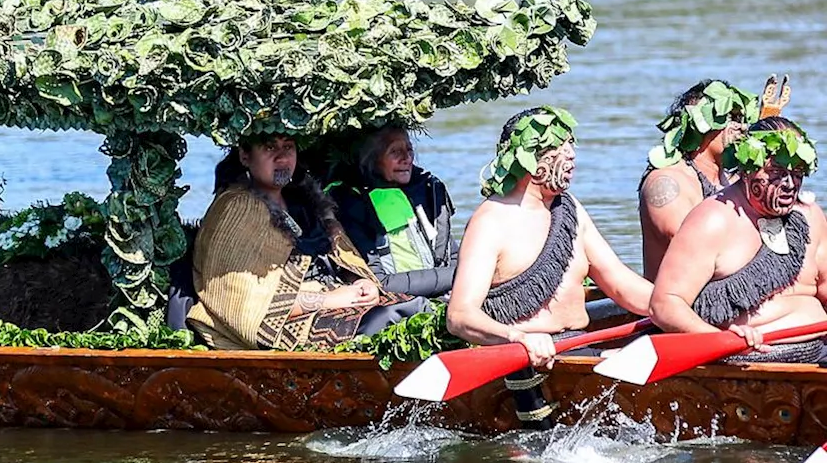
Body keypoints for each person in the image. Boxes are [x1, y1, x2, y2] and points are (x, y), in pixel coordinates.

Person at [446, 106, 652, 366]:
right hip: (524, 358)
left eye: (571, 146)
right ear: (530, 159)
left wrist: (675, 307)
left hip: (580, 347)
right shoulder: (490, 223)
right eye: (561, 148)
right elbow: (459, 315)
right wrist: (517, 337)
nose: (572, 156)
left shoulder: (569, 208)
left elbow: (619, 282)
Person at [186, 134, 430, 350]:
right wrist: (328, 300)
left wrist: (361, 281)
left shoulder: (307, 201)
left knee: (419, 309)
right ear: (245, 156)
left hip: (339, 297)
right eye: (270, 148)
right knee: (387, 318)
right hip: (288, 319)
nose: (282, 157)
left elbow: (345, 258)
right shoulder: (237, 208)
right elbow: (237, 300)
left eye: (289, 147)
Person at [649, 117, 827, 362]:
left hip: (817, 351)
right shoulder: (713, 220)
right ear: (746, 170)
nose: (788, 184)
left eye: (796, 173)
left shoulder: (810, 216)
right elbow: (665, 305)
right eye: (775, 172)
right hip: (743, 358)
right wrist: (719, 341)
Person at [639, 80, 757, 281]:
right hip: (678, 304)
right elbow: (693, 249)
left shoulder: (735, 180)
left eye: (742, 118)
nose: (743, 127)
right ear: (700, 123)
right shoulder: (666, 182)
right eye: (732, 118)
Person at [329, 125, 458, 301]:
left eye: (409, 150)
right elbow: (379, 281)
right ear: (373, 160)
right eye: (395, 151)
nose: (407, 158)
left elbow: (452, 255)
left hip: (443, 288)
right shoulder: (352, 204)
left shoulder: (426, 192)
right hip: (395, 302)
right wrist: (458, 276)